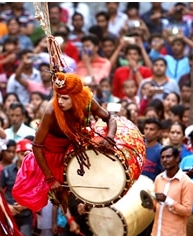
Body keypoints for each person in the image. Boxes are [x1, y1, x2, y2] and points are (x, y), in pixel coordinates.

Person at [14, 71, 117, 220]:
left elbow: (111, 118)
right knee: (48, 201)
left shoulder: (87, 101)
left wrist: (110, 137)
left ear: (76, 97)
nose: (60, 101)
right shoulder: (51, 111)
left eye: (65, 98)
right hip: (49, 156)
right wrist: (50, 179)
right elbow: (36, 146)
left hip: (73, 151)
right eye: (58, 96)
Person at [148, 144, 193, 236]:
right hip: (156, 234)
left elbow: (187, 211)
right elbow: (155, 207)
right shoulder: (159, 178)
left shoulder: (187, 183)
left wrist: (168, 200)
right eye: (162, 157)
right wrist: (148, 202)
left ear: (177, 158)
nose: (165, 160)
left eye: (168, 156)